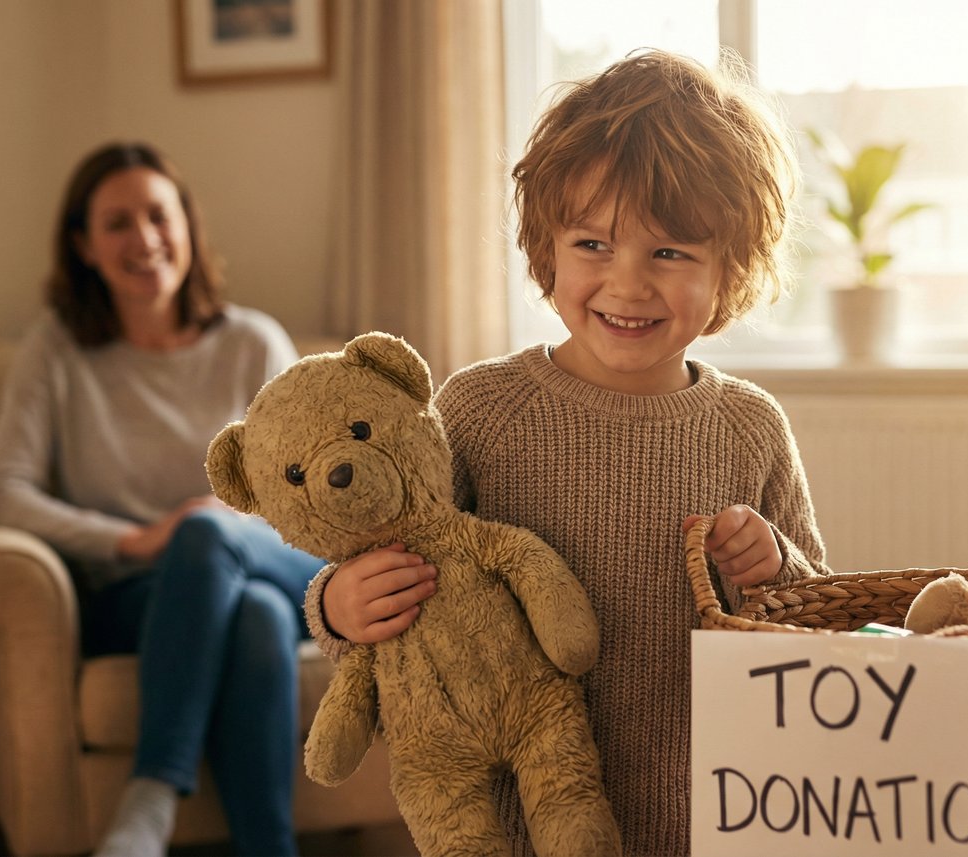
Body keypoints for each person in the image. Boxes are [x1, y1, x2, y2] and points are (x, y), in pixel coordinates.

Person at [307, 49, 830, 855]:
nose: (627, 284)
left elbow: (823, 614)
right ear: (546, 248)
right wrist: (337, 604)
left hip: (712, 814)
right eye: (593, 244)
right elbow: (390, 559)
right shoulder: (480, 410)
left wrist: (776, 566)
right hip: (521, 821)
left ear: (729, 272)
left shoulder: (749, 426)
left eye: (670, 252)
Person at [0, 141, 322, 857]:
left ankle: (150, 798)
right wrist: (131, 540)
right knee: (250, 614)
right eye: (117, 223)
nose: (145, 238)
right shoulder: (57, 352)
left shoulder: (254, 343)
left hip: (277, 559)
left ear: (188, 227)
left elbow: (311, 496)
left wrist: (205, 526)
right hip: (139, 593)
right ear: (84, 247)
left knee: (209, 534)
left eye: (159, 215)